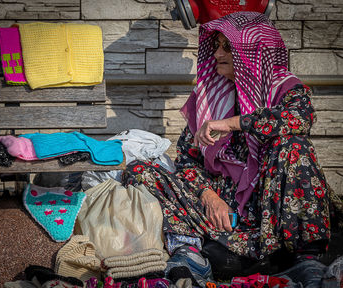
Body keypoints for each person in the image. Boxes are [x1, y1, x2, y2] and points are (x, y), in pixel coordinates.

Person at [122, 11, 339, 282]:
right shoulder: (210, 96)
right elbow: (187, 159)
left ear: (253, 51)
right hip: (222, 217)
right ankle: (190, 251)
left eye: (227, 47)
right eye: (216, 47)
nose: (216, 55)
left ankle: (305, 258)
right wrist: (208, 196)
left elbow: (299, 119)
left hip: (271, 217)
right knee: (141, 170)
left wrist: (232, 123)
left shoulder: (287, 90)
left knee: (294, 148)